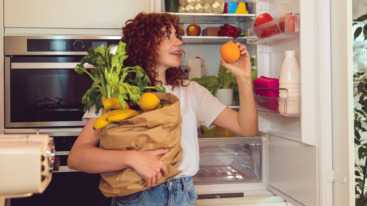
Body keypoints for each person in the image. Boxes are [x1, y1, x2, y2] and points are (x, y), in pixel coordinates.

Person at [67, 12, 257, 206]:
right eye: (168, 36)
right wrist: (133, 159)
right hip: (138, 196)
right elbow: (77, 157)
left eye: (177, 36)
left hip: (183, 195)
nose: (179, 42)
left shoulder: (191, 91)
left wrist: (244, 78)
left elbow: (246, 128)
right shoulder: (117, 93)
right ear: (144, 43)